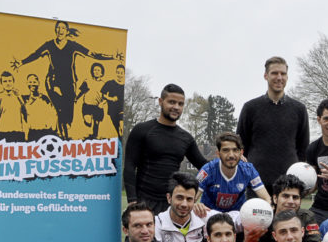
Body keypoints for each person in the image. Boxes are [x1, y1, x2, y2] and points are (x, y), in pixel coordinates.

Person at [11, 19, 122, 139]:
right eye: (58, 28)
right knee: (60, 109)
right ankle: (62, 136)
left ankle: (65, 131)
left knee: (69, 116)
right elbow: (36, 54)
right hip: (53, 82)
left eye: (63, 28)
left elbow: (93, 54)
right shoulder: (49, 45)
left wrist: (112, 57)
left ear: (67, 31)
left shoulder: (72, 46)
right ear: (55, 30)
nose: (60, 30)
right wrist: (21, 62)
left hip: (69, 83)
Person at [123, 83, 207, 214]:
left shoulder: (186, 138)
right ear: (161, 102)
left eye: (180, 104)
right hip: (144, 202)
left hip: (172, 205)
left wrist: (235, 161)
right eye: (172, 102)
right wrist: (132, 201)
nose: (176, 107)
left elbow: (205, 166)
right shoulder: (142, 130)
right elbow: (129, 166)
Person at [236, 56, 310, 189]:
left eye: (283, 73)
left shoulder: (299, 109)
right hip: (256, 184)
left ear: (287, 77)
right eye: (274, 73)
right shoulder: (250, 108)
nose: (279, 77)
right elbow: (240, 146)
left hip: (288, 185)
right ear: (266, 76)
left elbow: (303, 149)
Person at [240, 174, 322, 242]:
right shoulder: (260, 219)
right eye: (285, 196)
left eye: (295, 197)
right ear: (275, 198)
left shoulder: (307, 217)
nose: (291, 201)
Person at [194, 131, 270, 215]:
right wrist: (196, 206)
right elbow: (192, 197)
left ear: (241, 153)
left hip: (237, 216)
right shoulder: (207, 170)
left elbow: (266, 198)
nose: (231, 155)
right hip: (210, 215)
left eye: (235, 150)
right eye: (226, 150)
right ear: (218, 154)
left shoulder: (248, 170)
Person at [154, 172, 210, 242]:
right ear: (169, 198)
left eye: (189, 199)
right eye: (179, 198)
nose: (184, 204)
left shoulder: (204, 216)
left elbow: (236, 219)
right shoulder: (156, 224)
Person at [0, 71, 27, 141]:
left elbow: (26, 114)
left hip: (18, 132)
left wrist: (19, 97)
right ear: (1, 83)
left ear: (13, 82)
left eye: (10, 81)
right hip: (3, 132)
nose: (8, 83)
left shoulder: (19, 97)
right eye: (5, 81)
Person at [23, 73, 57, 140]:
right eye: (30, 82)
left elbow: (53, 113)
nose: (32, 84)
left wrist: (52, 128)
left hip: (44, 132)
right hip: (32, 133)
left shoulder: (44, 98)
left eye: (34, 82)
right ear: (27, 83)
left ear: (38, 83)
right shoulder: (24, 99)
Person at [101, 64, 125, 137]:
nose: (119, 75)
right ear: (115, 72)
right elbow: (103, 94)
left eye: (121, 73)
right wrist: (110, 99)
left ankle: (120, 131)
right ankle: (119, 142)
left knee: (121, 125)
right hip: (112, 111)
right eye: (118, 72)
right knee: (116, 129)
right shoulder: (110, 83)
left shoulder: (124, 86)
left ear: (124, 74)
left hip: (121, 110)